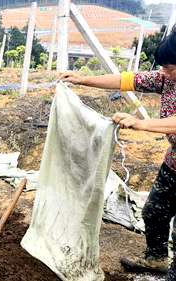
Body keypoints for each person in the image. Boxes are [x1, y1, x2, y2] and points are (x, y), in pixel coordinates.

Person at [60, 26, 176, 278]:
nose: (163, 70)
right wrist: (82, 79)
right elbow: (127, 80)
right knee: (154, 211)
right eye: (164, 66)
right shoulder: (167, 79)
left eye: (170, 66)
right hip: (174, 164)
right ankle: (156, 259)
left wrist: (140, 123)